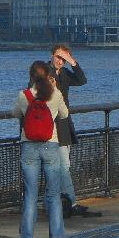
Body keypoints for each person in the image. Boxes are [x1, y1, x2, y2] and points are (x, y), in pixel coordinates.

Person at [11, 60, 68, 238]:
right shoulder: (55, 94)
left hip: (29, 145)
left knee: (30, 194)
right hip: (50, 144)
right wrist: (55, 89)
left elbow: (15, 113)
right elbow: (65, 114)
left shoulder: (24, 95)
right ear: (49, 76)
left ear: (31, 77)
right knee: (53, 193)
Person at [48, 44, 101, 218]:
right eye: (58, 57)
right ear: (51, 55)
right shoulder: (44, 72)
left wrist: (73, 62)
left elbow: (81, 80)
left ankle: (61, 203)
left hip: (64, 125)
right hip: (50, 126)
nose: (60, 61)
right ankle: (69, 203)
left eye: (63, 59)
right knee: (62, 166)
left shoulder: (64, 73)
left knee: (62, 166)